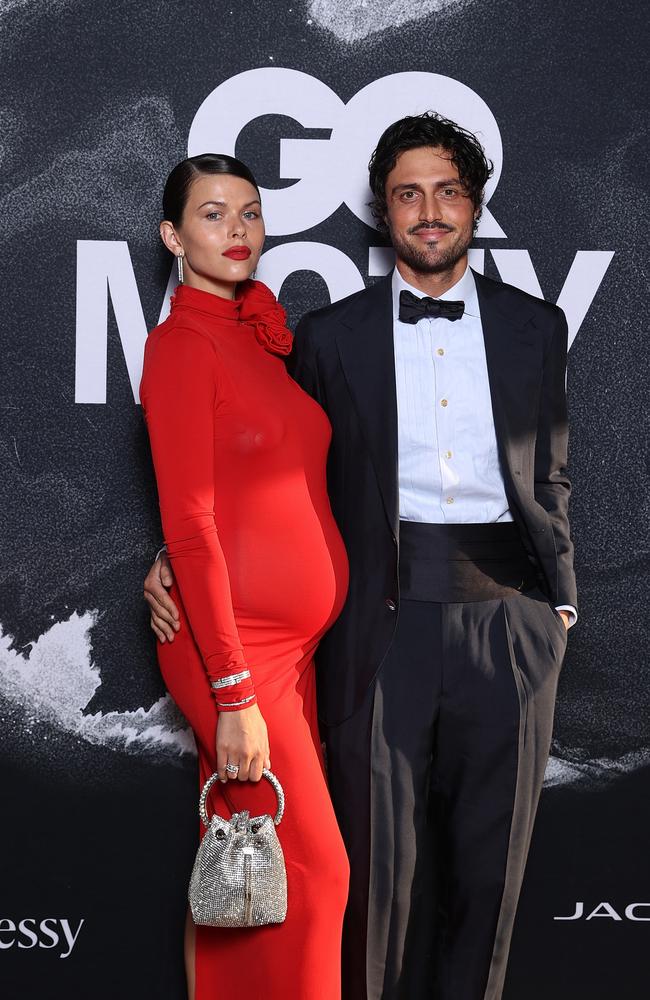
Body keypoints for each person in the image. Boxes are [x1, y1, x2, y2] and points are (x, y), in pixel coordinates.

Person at [146, 114, 577, 1000]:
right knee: (360, 884)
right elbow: (235, 470)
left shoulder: (538, 325)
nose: (429, 211)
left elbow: (552, 472)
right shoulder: (324, 337)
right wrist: (168, 553)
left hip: (510, 621)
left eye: (448, 190)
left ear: (476, 205)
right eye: (407, 194)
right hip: (376, 628)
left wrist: (558, 605)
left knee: (487, 884)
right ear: (382, 214)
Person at [139, 153, 349, 1000]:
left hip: (290, 654)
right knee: (316, 871)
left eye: (250, 214)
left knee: (246, 875)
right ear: (173, 236)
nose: (236, 231)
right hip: (237, 654)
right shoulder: (182, 345)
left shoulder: (260, 339)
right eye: (214, 214)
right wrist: (231, 692)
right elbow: (189, 522)